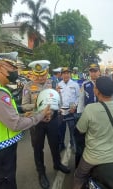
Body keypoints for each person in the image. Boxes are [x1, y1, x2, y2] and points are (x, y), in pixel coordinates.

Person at [0, 52, 51, 189]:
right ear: (0, 67)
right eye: (12, 67)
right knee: (5, 184)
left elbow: (6, 117)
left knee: (7, 182)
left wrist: (22, 116)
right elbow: (15, 124)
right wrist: (40, 114)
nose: (16, 71)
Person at [21, 60, 70, 189]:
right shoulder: (27, 86)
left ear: (47, 72)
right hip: (37, 122)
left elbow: (58, 102)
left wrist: (55, 106)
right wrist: (38, 105)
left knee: (55, 144)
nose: (40, 78)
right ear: (33, 74)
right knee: (38, 148)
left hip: (52, 120)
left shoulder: (52, 83)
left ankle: (57, 164)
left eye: (43, 75)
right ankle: (41, 173)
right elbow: (24, 106)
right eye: (37, 75)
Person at [72, 76, 113, 189]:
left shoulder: (90, 109)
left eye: (95, 87)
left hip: (92, 158)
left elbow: (79, 130)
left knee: (78, 176)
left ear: (97, 91)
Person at [75, 63, 101, 167]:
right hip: (89, 116)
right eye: (91, 71)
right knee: (87, 139)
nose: (93, 73)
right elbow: (81, 101)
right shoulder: (85, 84)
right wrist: (79, 114)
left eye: (95, 71)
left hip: (101, 116)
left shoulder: (103, 83)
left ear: (99, 71)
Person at [57, 67, 80, 152]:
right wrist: (58, 108)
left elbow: (78, 97)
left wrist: (74, 106)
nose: (66, 75)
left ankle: (73, 144)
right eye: (64, 73)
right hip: (61, 111)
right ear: (61, 75)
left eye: (67, 73)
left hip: (71, 110)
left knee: (72, 129)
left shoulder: (75, 84)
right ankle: (61, 145)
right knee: (60, 130)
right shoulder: (59, 85)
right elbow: (57, 98)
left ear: (70, 74)